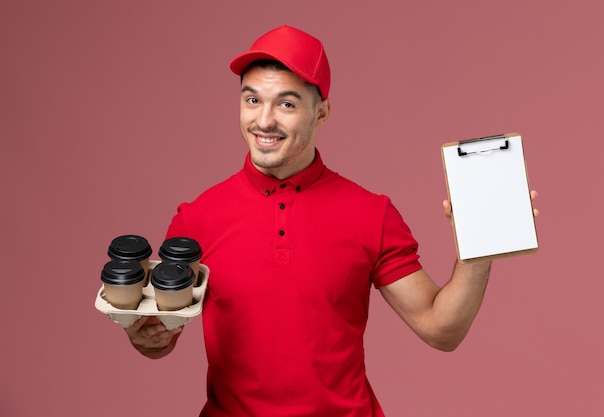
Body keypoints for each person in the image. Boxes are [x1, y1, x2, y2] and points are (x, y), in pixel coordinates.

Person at [124, 25, 538, 416]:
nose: (264, 120)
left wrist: (479, 251)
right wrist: (147, 337)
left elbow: (440, 330)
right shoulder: (197, 218)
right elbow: (160, 335)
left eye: (286, 103)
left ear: (321, 112)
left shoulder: (370, 213)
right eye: (252, 100)